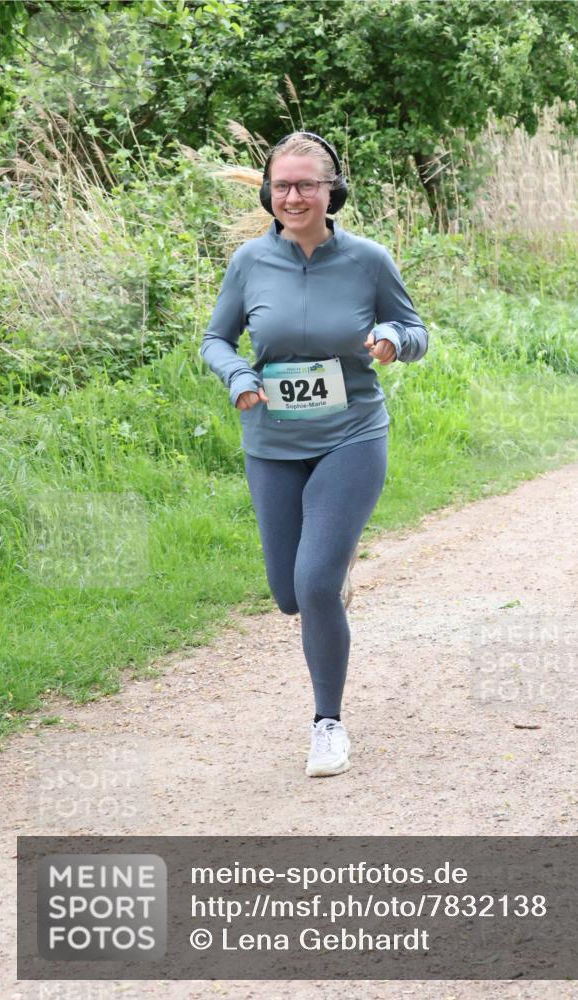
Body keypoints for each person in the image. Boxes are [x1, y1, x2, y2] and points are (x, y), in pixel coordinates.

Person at [200, 131, 428, 777]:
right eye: (281, 186)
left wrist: (392, 338)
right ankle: (327, 577)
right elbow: (216, 339)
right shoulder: (249, 262)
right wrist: (238, 376)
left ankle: (327, 723)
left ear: (332, 191)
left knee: (315, 583)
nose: (293, 197)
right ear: (268, 193)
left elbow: (416, 330)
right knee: (288, 594)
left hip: (351, 435)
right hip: (272, 442)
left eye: (306, 185)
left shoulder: (367, 260)